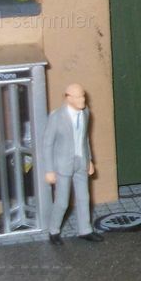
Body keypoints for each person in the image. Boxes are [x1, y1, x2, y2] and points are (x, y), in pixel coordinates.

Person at [43, 83, 104, 245]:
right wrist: (49, 170)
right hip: (63, 165)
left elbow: (85, 138)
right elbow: (47, 144)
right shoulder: (56, 117)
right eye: (78, 97)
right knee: (62, 202)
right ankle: (53, 230)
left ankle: (85, 230)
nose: (82, 99)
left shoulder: (85, 113)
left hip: (81, 162)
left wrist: (89, 160)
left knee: (84, 198)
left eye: (83, 95)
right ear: (68, 98)